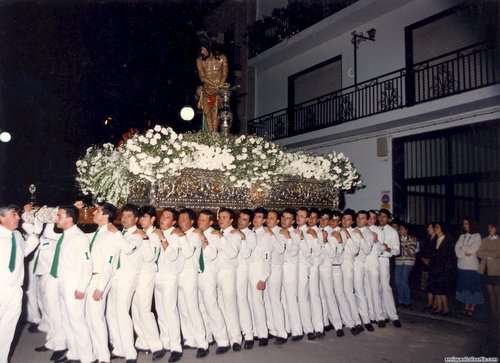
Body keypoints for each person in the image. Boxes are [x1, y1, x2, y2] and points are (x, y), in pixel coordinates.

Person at [107, 204, 149, 363]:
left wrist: (117, 234)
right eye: (123, 216)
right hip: (115, 276)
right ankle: (118, 347)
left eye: (129, 216)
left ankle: (130, 352)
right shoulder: (121, 233)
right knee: (111, 313)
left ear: (136, 219)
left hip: (128, 277)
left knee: (122, 313)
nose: (124, 219)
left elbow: (127, 249)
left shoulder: (137, 235)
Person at [53, 205, 95, 363]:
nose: (56, 218)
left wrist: (81, 287)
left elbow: (87, 264)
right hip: (63, 283)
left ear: (69, 218)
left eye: (59, 215)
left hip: (74, 285)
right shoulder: (66, 235)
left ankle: (87, 358)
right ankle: (74, 353)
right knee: (67, 320)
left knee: (77, 322)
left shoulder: (79, 237)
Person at [0, 204, 39, 363]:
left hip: (16, 291)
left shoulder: (16, 236)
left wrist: (36, 235)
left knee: (7, 331)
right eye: (14, 214)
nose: (18, 218)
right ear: (1, 218)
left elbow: (22, 253)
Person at [196, 210, 231, 354]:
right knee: (200, 307)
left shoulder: (214, 235)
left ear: (211, 223)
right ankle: (207, 336)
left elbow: (210, 255)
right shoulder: (194, 233)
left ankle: (223, 340)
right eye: (199, 220)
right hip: (197, 274)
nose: (200, 222)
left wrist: (203, 239)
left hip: (209, 275)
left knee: (211, 307)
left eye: (203, 220)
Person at [154, 208, 186, 363]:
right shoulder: (157, 232)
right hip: (157, 277)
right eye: (162, 216)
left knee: (170, 311)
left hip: (169, 277)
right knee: (160, 312)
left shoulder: (176, 234)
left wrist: (162, 239)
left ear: (173, 222)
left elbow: (172, 256)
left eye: (167, 217)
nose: (163, 219)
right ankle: (165, 342)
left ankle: (176, 347)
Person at [248, 207, 273, 346]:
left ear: (264, 220)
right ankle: (256, 332)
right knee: (250, 302)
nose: (256, 219)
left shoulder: (266, 235)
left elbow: (267, 258)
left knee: (258, 302)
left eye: (259, 217)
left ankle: (263, 334)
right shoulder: (250, 233)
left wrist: (263, 278)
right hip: (249, 270)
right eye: (255, 216)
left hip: (259, 270)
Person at [196, 40, 229, 133]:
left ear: (209, 48)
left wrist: (219, 85)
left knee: (215, 111)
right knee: (207, 112)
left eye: (203, 49)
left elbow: (224, 74)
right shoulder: (199, 61)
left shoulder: (222, 58)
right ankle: (211, 133)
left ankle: (214, 133)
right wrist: (214, 85)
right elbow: (202, 77)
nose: (202, 52)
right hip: (207, 89)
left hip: (218, 89)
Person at [376, 209, 401, 327]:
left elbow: (397, 251)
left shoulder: (392, 232)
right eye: (380, 216)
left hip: (384, 260)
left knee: (386, 287)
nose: (381, 218)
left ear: (388, 219)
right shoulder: (373, 229)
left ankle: (393, 316)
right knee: (376, 288)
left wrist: (388, 249)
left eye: (384, 217)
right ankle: (382, 314)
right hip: (373, 260)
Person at [455, 217, 483, 316]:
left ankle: (472, 307)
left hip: (472, 266)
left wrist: (463, 249)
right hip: (462, 265)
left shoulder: (476, 236)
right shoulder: (462, 236)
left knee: (473, 287)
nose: (465, 225)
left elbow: (472, 250)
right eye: (464, 224)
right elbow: (457, 249)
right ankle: (466, 306)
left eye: (467, 223)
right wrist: (463, 251)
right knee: (465, 287)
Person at [236, 209, 256, 349]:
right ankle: (235, 333)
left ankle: (248, 334)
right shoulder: (231, 231)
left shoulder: (251, 234)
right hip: (228, 270)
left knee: (242, 301)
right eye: (240, 218)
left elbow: (246, 253)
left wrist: (242, 238)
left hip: (242, 270)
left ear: (249, 223)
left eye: (244, 219)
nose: (240, 221)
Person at [428, 222, 455, 316]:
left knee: (442, 289)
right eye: (435, 227)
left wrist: (446, 268)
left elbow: (449, 256)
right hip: (435, 267)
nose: (435, 229)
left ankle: (446, 308)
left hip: (443, 268)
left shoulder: (447, 240)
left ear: (442, 229)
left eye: (437, 227)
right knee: (437, 289)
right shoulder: (435, 239)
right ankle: (439, 307)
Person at [477, 223, 500, 319]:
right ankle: (494, 313)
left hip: (496, 270)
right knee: (490, 293)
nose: (489, 229)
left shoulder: (499, 241)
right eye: (488, 227)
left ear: (497, 228)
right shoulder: (484, 240)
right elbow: (478, 252)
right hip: (486, 269)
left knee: (498, 293)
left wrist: (486, 253)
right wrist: (490, 255)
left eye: (492, 227)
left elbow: (497, 254)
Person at [394, 221, 418, 308]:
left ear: (406, 230)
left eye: (401, 229)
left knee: (404, 281)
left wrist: (402, 247)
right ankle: (400, 301)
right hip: (399, 261)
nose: (400, 231)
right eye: (399, 229)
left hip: (408, 262)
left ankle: (407, 301)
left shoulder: (413, 238)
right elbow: (396, 251)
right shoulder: (396, 238)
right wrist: (404, 247)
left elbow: (411, 252)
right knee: (397, 281)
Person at [420, 223, 436, 310]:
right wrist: (423, 258)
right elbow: (422, 250)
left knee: (433, 284)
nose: (428, 229)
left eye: (430, 227)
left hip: (433, 264)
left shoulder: (437, 239)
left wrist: (430, 260)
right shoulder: (427, 239)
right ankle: (429, 303)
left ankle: (435, 304)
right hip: (425, 264)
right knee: (427, 284)